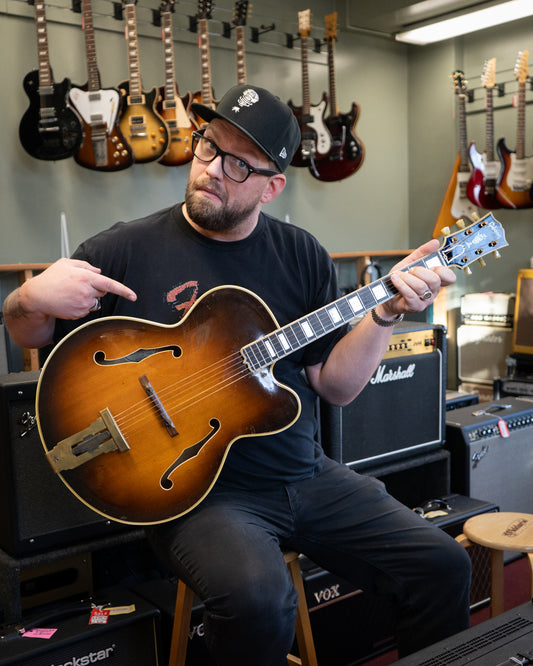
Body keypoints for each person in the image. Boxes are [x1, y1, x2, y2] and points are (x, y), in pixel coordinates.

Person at [3, 84, 471, 665]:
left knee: (444, 564)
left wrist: (384, 312)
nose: (209, 171)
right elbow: (30, 332)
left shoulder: (302, 255)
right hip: (195, 492)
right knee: (258, 599)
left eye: (236, 164)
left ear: (273, 186)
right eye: (207, 146)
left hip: (304, 475)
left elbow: (336, 387)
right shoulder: (125, 248)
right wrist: (28, 299)